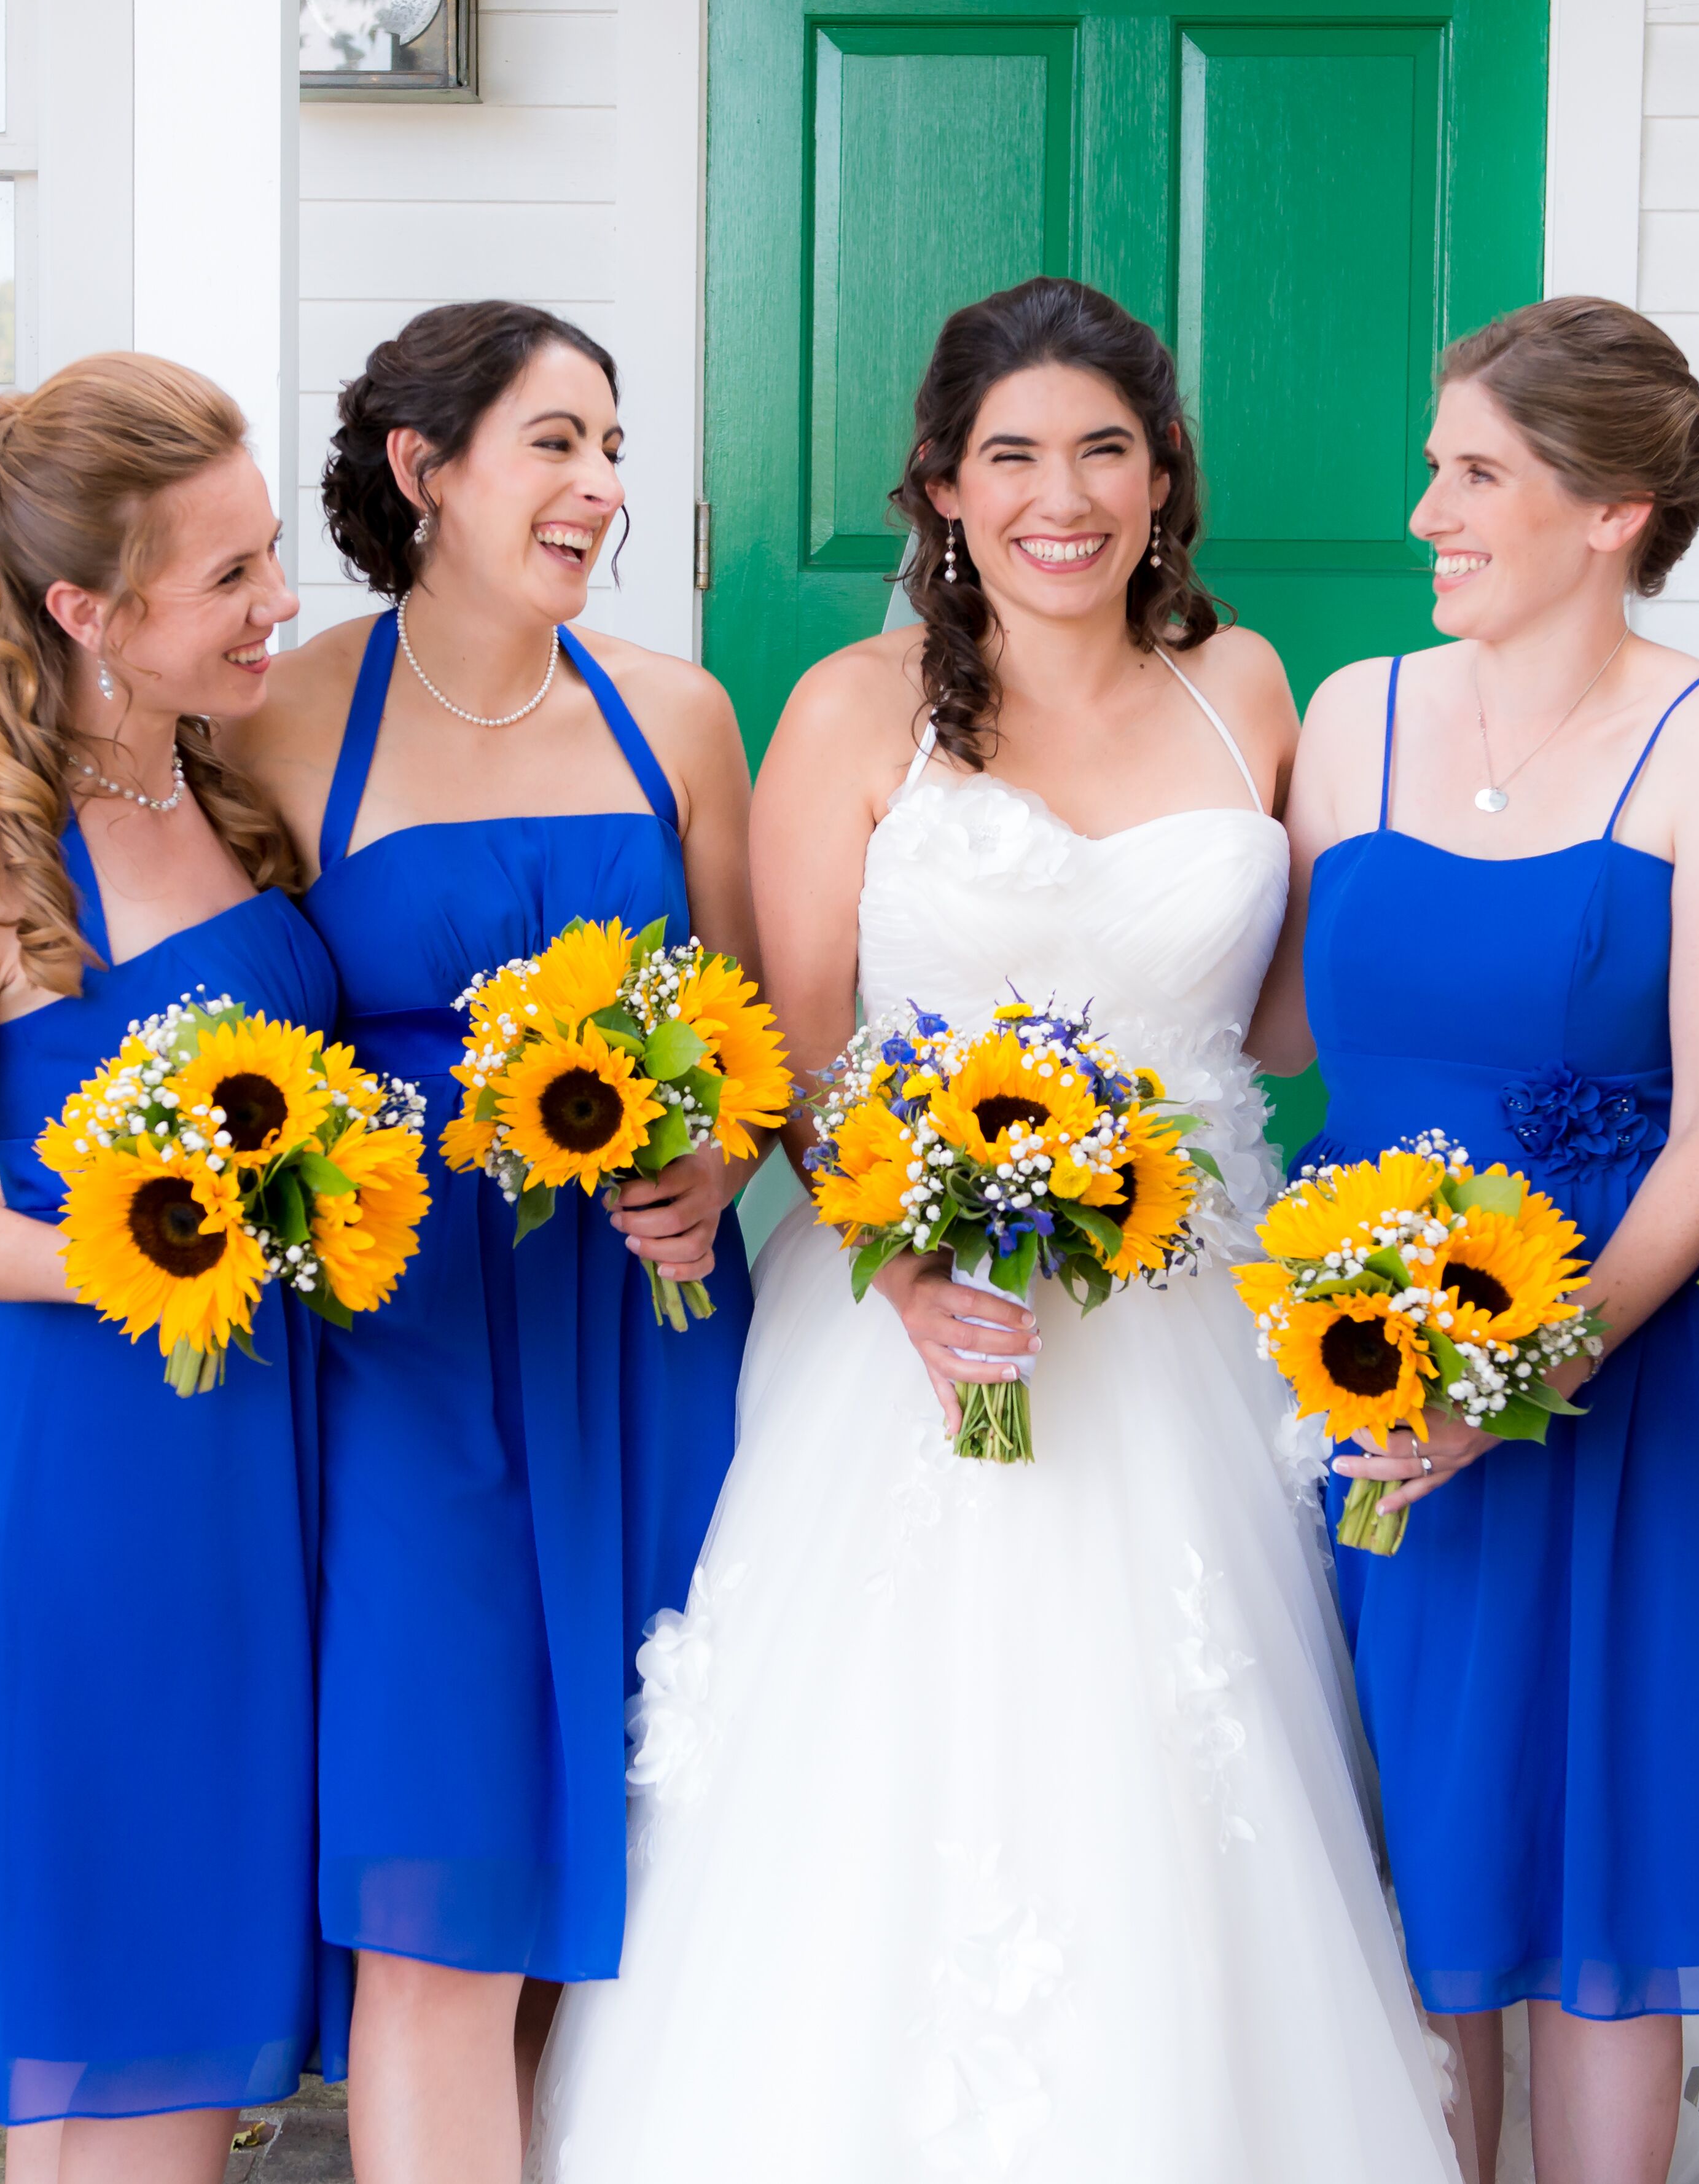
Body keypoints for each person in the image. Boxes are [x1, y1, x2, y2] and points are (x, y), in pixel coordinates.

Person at [526, 276, 1460, 2180]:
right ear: (942, 486)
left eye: (1106, 449)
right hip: (906, 1323)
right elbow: (796, 1041)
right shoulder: (852, 707)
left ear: (1161, 473)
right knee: (884, 1779)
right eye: (1014, 453)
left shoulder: (1255, 686)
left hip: (1186, 1323)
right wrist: (915, 1251)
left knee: (1177, 1781)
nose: (1064, 496)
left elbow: (1291, 1012)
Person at [1254, 295, 1699, 2184]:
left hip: (1604, 1392)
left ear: (1614, 509)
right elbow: (1256, 1036)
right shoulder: (1351, 719)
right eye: (1436, 465)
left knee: (1592, 1900)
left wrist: (1525, 1369)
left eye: (1475, 473)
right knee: (1397, 1878)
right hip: (1348, 1372)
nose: (1426, 508)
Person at [228, 302, 760, 2184]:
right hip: (411, 1357)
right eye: (554, 442)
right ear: (422, 469)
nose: (601, 485)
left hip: (651, 1334)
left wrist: (713, 1161)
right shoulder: (284, 715)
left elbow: (755, 1030)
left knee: (647, 1844)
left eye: (611, 443)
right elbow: (166, 1007)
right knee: (438, 1869)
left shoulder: (672, 710)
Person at [0, 354, 341, 2180]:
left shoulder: (224, 788)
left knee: (177, 2008)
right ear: (87, 608)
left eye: (268, 551)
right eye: (230, 574)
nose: (278, 598)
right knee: (125, 2015)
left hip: (260, 1459)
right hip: (100, 1479)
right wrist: (108, 1254)